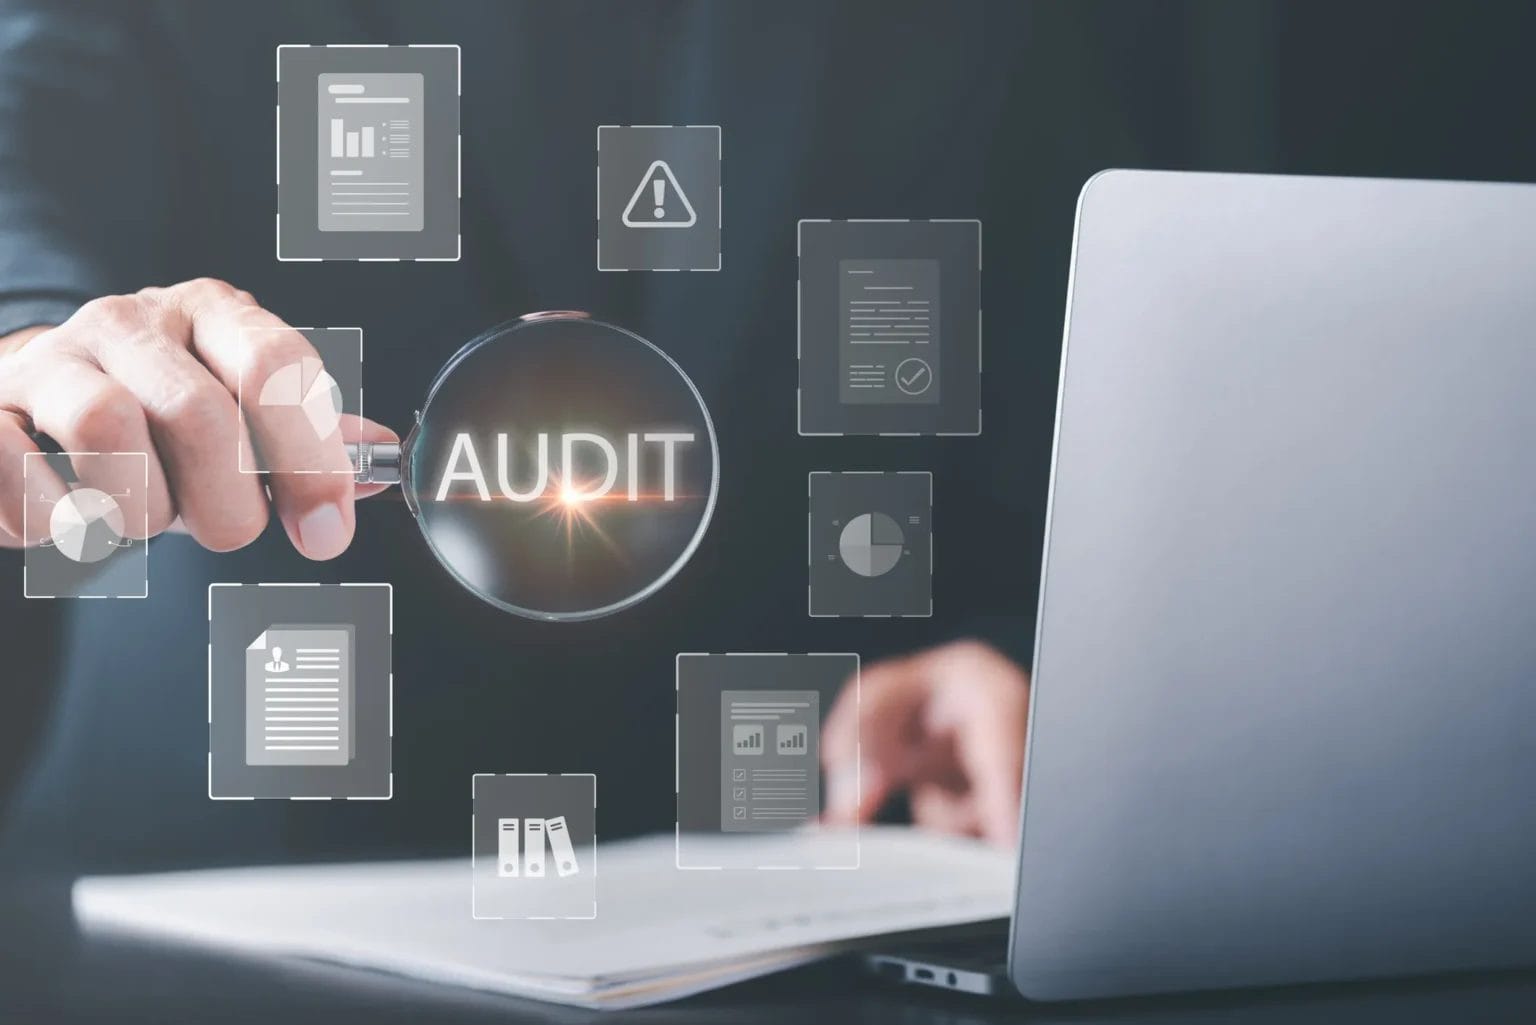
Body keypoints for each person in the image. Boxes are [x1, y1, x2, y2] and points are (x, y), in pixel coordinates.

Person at [0, 0, 1144, 871]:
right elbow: (25, 129)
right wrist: (34, 337)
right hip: (228, 887)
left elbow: (1078, 360)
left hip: (811, 880)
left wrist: (1021, 658)